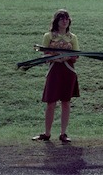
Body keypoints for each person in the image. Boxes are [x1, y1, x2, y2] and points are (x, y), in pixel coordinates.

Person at [32, 9, 80, 143]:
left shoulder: (73, 37)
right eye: (61, 19)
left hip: (68, 72)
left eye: (66, 18)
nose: (64, 21)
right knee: (51, 102)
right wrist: (55, 59)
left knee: (66, 102)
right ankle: (47, 134)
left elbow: (76, 56)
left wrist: (65, 58)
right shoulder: (49, 36)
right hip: (54, 71)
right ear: (56, 21)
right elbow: (44, 55)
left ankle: (63, 134)